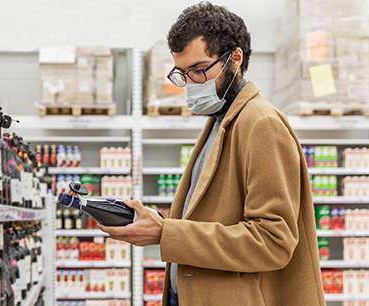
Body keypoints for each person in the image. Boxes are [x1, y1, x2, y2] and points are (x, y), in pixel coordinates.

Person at [99, 2, 325, 305]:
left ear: (235, 59)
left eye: (198, 70)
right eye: (181, 74)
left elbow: (272, 241)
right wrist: (157, 221)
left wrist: (167, 233)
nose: (190, 84)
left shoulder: (261, 124)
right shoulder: (220, 120)